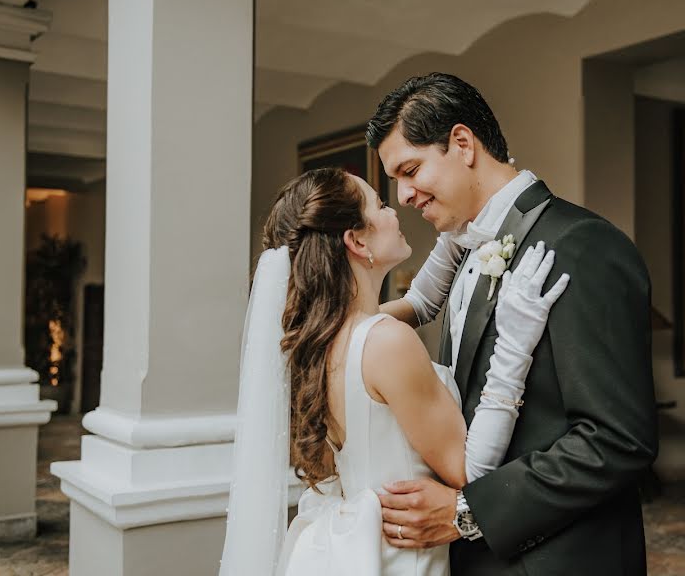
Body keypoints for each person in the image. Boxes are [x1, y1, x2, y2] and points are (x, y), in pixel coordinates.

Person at [367, 72, 658, 575]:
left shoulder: (582, 246)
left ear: (462, 143)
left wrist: (469, 513)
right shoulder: (463, 248)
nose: (404, 195)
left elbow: (617, 439)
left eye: (411, 170)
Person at [218, 166, 568, 576]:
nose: (395, 210)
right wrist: (514, 344)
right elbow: (469, 472)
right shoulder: (386, 342)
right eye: (380, 205)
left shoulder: (325, 340)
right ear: (356, 240)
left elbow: (419, 299)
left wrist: (463, 217)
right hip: (398, 556)